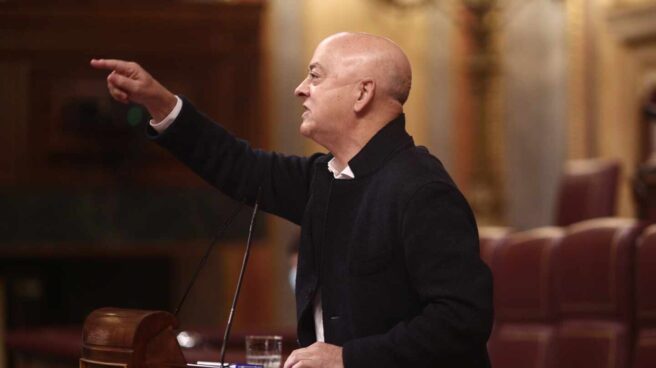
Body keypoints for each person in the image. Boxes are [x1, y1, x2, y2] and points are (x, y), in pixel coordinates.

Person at [91, 32, 493, 368]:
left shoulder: (422, 190)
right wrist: (160, 103)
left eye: (315, 76)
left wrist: (347, 358)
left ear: (362, 93)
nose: (300, 88)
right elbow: (240, 166)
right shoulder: (325, 178)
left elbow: (461, 321)